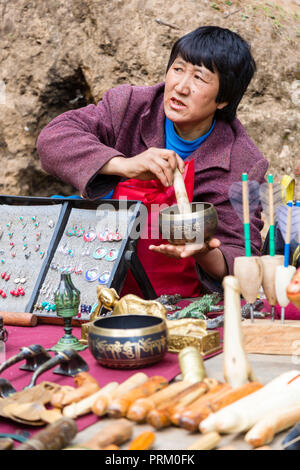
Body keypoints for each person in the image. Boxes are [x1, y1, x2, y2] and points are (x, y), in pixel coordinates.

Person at [37, 26, 268, 298]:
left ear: (224, 98)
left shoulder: (243, 162)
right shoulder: (128, 106)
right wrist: (122, 164)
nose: (180, 87)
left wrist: (204, 251)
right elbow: (53, 139)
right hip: (95, 284)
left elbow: (243, 258)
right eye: (178, 69)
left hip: (180, 303)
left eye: (199, 78)